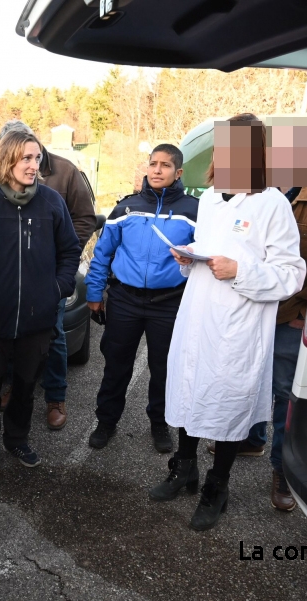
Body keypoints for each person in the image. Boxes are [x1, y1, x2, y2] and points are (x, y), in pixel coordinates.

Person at [148, 114, 306, 532]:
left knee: (226, 405)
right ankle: (184, 468)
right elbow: (210, 248)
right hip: (198, 314)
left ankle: (217, 486)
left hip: (239, 325)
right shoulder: (213, 198)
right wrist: (189, 256)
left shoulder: (271, 202)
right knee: (189, 391)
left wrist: (240, 270)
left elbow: (292, 273)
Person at [206, 116, 307, 511]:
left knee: (284, 391)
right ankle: (251, 438)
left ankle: (283, 473)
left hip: (289, 316)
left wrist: (306, 315)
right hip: (245, 308)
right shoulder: (251, 190)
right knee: (244, 379)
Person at [0, 129, 81, 477]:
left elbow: (71, 250)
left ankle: (16, 438)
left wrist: (57, 288)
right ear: (7, 159)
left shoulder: (52, 202)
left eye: (37, 158)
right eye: (26, 158)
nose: (33, 165)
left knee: (26, 386)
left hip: (37, 319)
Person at [0, 120, 96, 430]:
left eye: (30, 155)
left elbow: (84, 217)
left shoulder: (65, 172)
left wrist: (60, 272)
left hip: (48, 276)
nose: (27, 164)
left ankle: (55, 397)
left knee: (53, 337)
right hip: (7, 279)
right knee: (8, 338)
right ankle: (13, 389)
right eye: (16, 156)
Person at [85, 143, 198, 453]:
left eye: (165, 165)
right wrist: (94, 293)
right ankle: (106, 422)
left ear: (179, 172)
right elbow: (103, 253)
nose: (157, 169)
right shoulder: (126, 208)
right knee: (115, 365)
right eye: (153, 164)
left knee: (163, 368)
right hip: (125, 300)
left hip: (169, 303)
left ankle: (159, 424)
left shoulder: (194, 211)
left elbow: (204, 258)